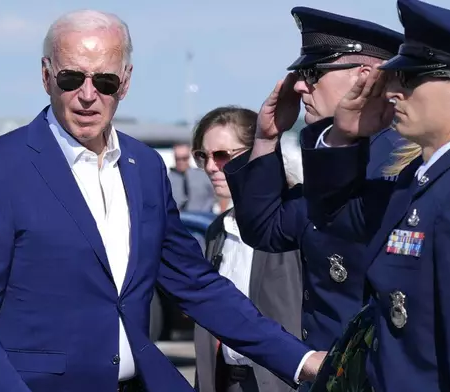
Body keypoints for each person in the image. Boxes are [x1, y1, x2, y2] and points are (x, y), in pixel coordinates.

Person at [0, 9, 325, 392]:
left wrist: (302, 360)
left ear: (124, 82)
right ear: (46, 75)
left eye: (105, 81)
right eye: (71, 78)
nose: (88, 95)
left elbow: (197, 285)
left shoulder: (145, 168)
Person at [297, 0, 450, 390]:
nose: (393, 92)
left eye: (410, 79)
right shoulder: (417, 179)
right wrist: (345, 136)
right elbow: (334, 221)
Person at [223, 5, 404, 374]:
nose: (301, 85)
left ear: (365, 77)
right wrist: (265, 137)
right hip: (327, 372)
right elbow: (267, 230)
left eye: (314, 72)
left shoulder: (400, 162)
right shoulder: (328, 159)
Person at [191, 107, 303, 392]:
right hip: (227, 380)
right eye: (202, 156)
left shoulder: (292, 220)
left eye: (222, 155)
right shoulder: (217, 230)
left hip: (285, 382)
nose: (210, 167)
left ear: (258, 153)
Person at [168, 143, 216, 213]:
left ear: (189, 157)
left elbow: (217, 195)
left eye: (184, 158)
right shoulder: (167, 179)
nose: (181, 162)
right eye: (177, 159)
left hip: (202, 219)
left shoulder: (203, 176)